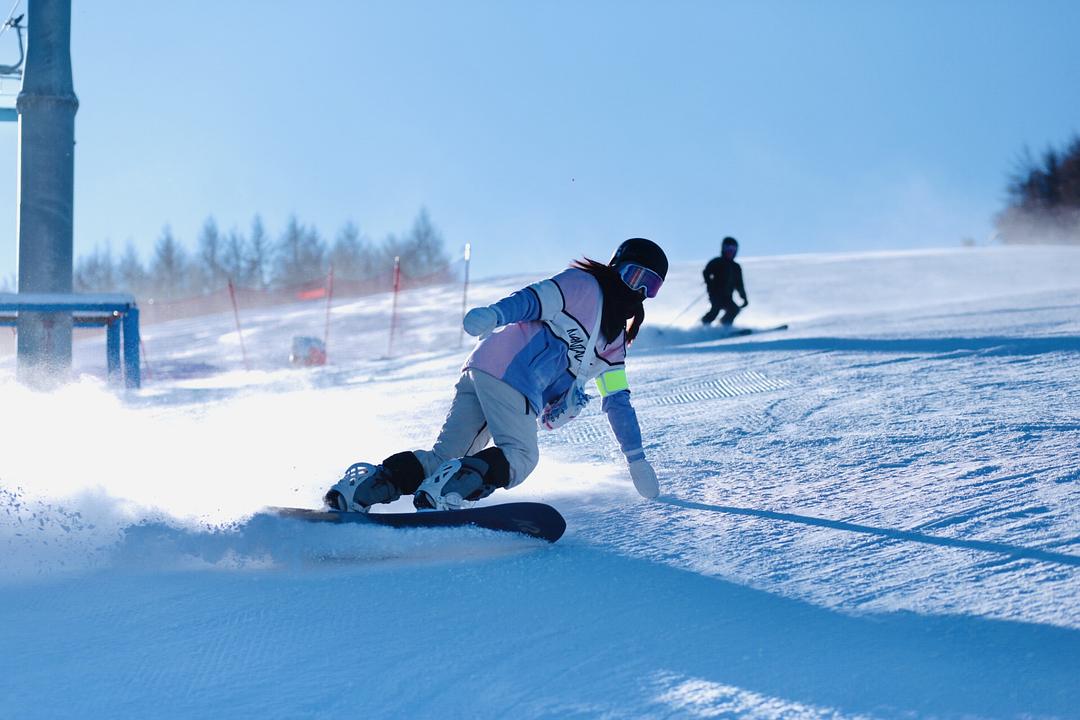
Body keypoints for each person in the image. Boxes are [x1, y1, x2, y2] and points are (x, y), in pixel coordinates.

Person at [324, 238, 668, 513]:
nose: (638, 292)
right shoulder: (584, 286)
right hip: (509, 378)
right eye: (635, 278)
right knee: (521, 457)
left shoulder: (614, 347)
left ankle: (362, 491)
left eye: (649, 287)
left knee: (443, 458)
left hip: (485, 374)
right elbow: (533, 300)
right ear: (615, 269)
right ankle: (445, 493)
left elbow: (618, 402)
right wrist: (495, 314)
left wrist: (635, 456)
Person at [701, 236, 748, 326]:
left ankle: (724, 326)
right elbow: (706, 272)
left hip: (727, 296)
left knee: (734, 309)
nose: (730, 251)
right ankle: (703, 326)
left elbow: (739, 284)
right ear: (723, 248)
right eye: (728, 248)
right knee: (715, 309)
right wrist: (710, 284)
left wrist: (744, 297)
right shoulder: (717, 262)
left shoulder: (736, 267)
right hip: (715, 294)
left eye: (733, 249)